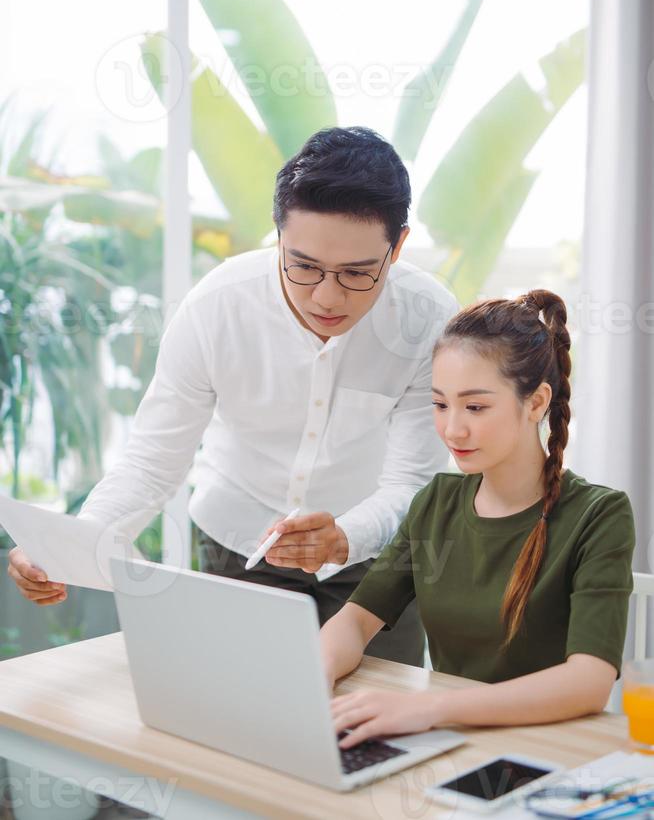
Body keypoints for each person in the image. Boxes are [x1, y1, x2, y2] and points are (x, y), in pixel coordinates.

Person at [8, 126, 457, 667]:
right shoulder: (217, 307)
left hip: (374, 559)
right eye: (305, 266)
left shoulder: (427, 318)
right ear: (277, 236)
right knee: (234, 723)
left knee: (375, 731)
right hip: (234, 547)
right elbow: (152, 462)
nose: (327, 296)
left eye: (358, 273)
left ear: (398, 246)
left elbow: (413, 482)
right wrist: (72, 549)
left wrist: (344, 537)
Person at [321, 290, 636, 747]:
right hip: (451, 741)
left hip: (548, 746)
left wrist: (430, 709)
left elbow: (588, 681)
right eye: (440, 404)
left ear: (535, 403)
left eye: (475, 407)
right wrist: (316, 677)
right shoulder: (436, 502)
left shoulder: (598, 515)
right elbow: (354, 621)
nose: (453, 429)